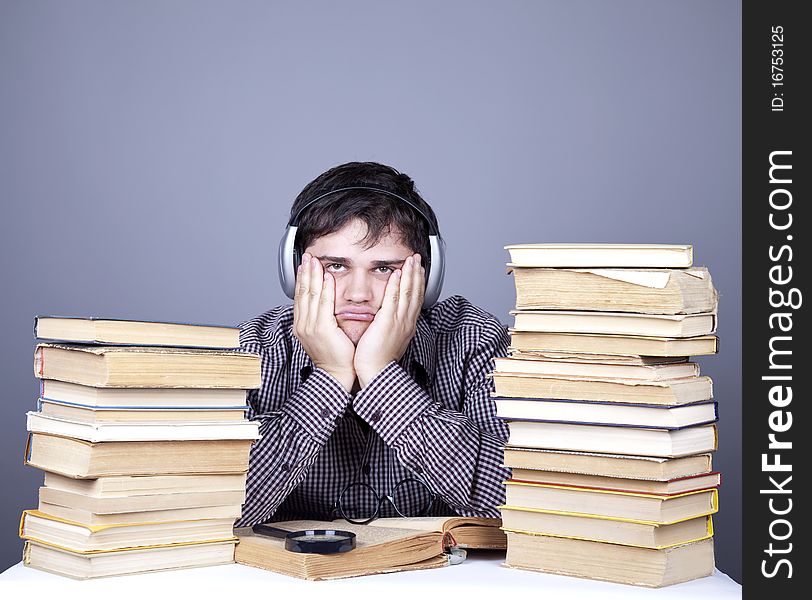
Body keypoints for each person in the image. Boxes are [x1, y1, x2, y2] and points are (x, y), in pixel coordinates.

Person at [235, 161, 510, 527]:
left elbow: (520, 500)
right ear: (293, 271)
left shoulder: (474, 341)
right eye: (335, 266)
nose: (358, 294)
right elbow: (222, 510)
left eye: (384, 269)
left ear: (427, 280)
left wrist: (381, 375)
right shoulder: (253, 349)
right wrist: (330, 377)